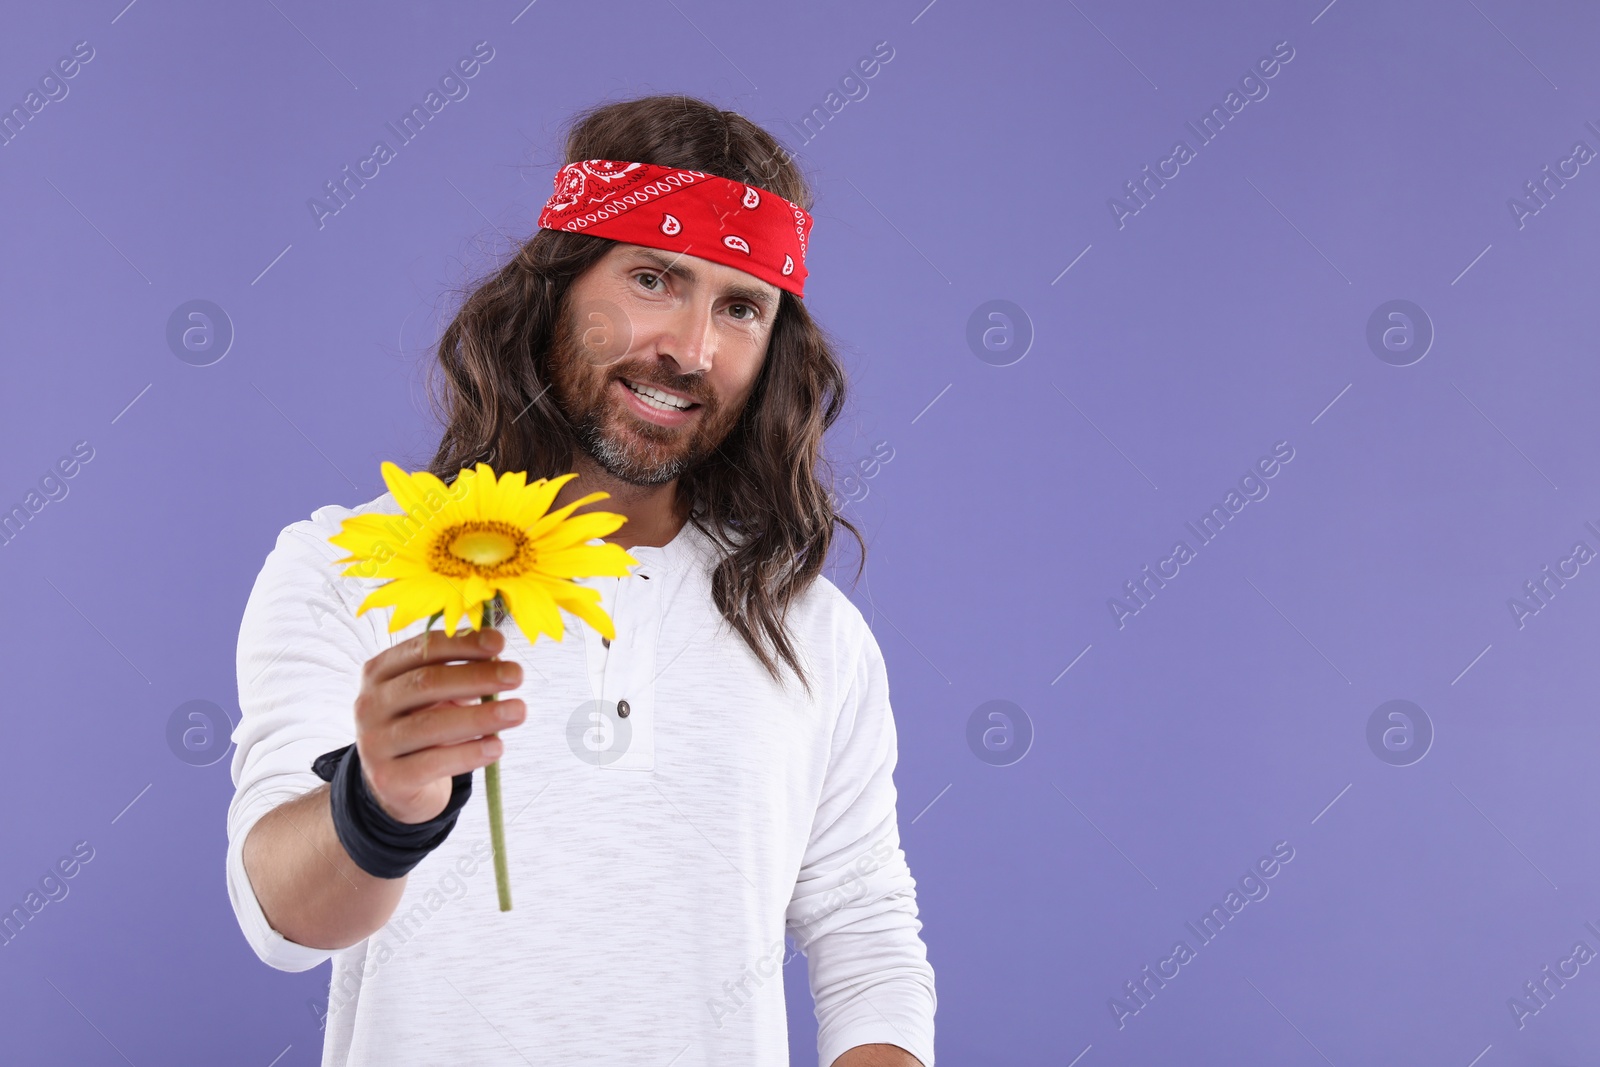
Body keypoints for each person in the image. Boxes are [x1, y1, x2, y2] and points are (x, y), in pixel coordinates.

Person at [226, 94, 935, 1067]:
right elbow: (282, 922)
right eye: (653, 277)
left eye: (741, 306)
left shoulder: (810, 624)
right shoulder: (350, 564)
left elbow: (863, 921)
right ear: (556, 287)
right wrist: (382, 800)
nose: (691, 347)